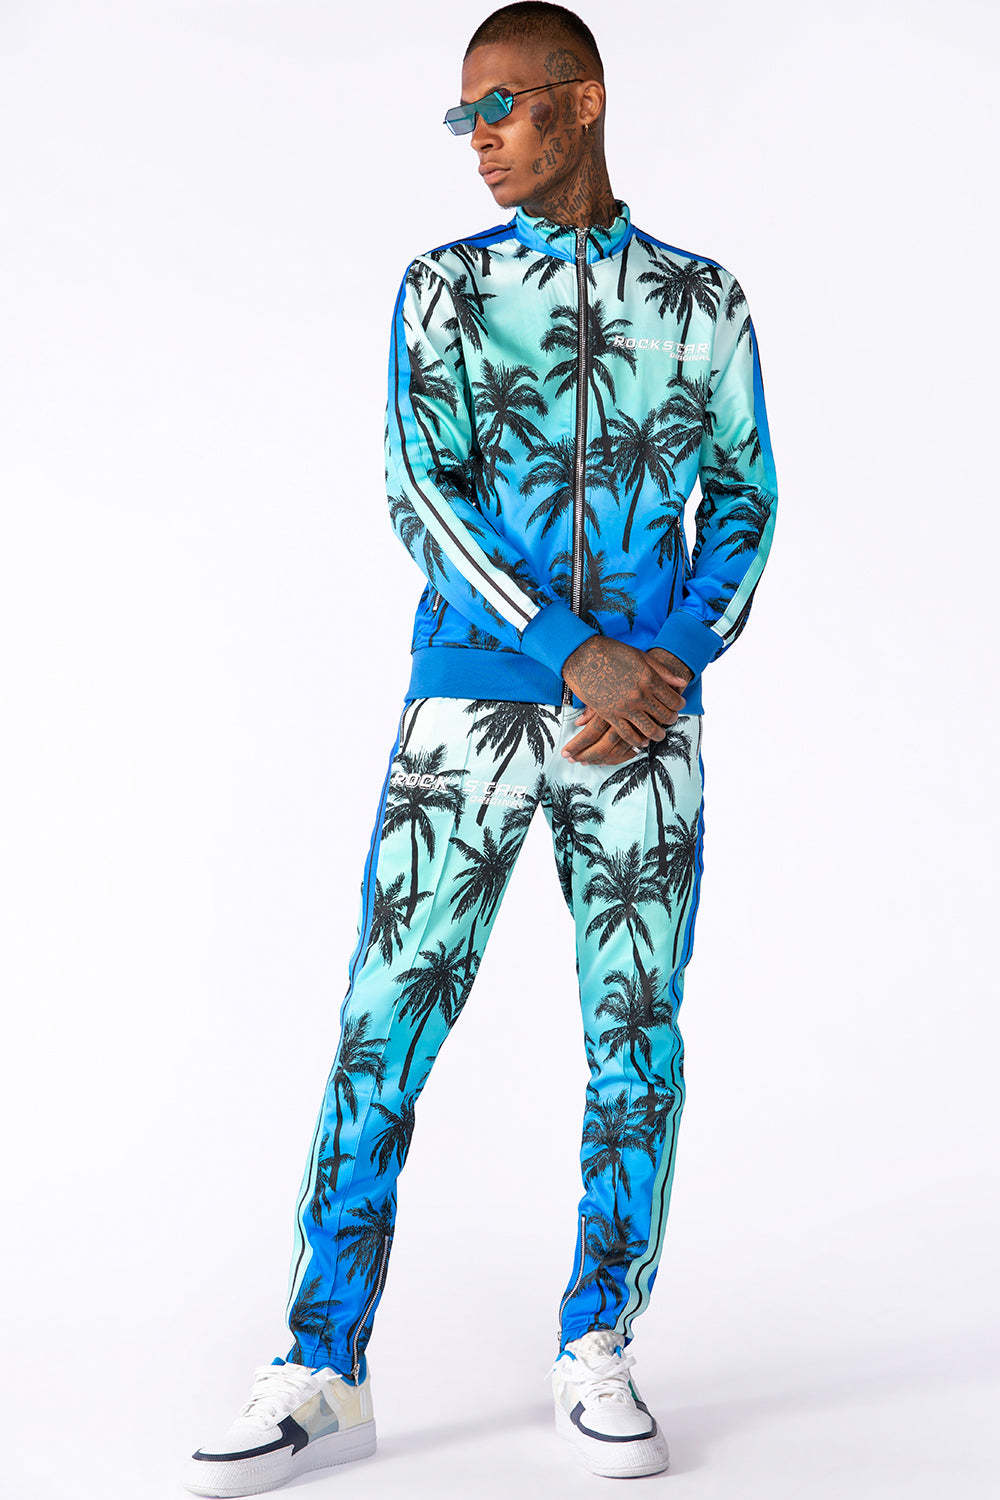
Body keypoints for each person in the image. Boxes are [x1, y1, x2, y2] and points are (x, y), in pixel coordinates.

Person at [182, 2, 778, 1492]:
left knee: (635, 1034)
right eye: (463, 117)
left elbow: (747, 501)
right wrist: (572, 650)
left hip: (647, 725)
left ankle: (599, 1343)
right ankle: (324, 1367)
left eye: (501, 105)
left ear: (583, 100)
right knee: (386, 1017)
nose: (478, 139)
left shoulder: (703, 301)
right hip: (470, 706)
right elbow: (421, 491)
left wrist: (667, 666)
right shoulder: (445, 289)